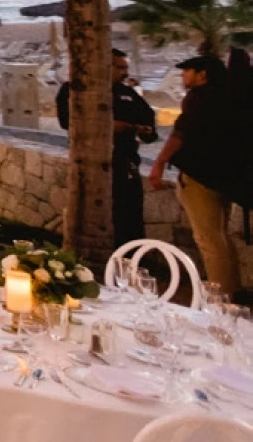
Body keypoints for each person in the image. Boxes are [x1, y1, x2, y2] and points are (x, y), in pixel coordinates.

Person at [148, 54, 243, 299]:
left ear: (202, 74)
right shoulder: (228, 98)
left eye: (187, 70)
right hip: (224, 176)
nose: (182, 75)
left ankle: (220, 298)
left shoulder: (198, 98)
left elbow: (180, 133)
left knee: (208, 239)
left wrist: (159, 163)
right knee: (221, 236)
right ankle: (233, 291)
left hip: (200, 177)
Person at [56, 48, 156, 250]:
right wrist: (109, 126)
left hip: (126, 165)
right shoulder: (74, 90)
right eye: (119, 67)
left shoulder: (127, 94)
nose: (124, 73)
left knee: (129, 219)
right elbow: (69, 122)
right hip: (91, 168)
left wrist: (144, 131)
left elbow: (149, 127)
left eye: (125, 68)